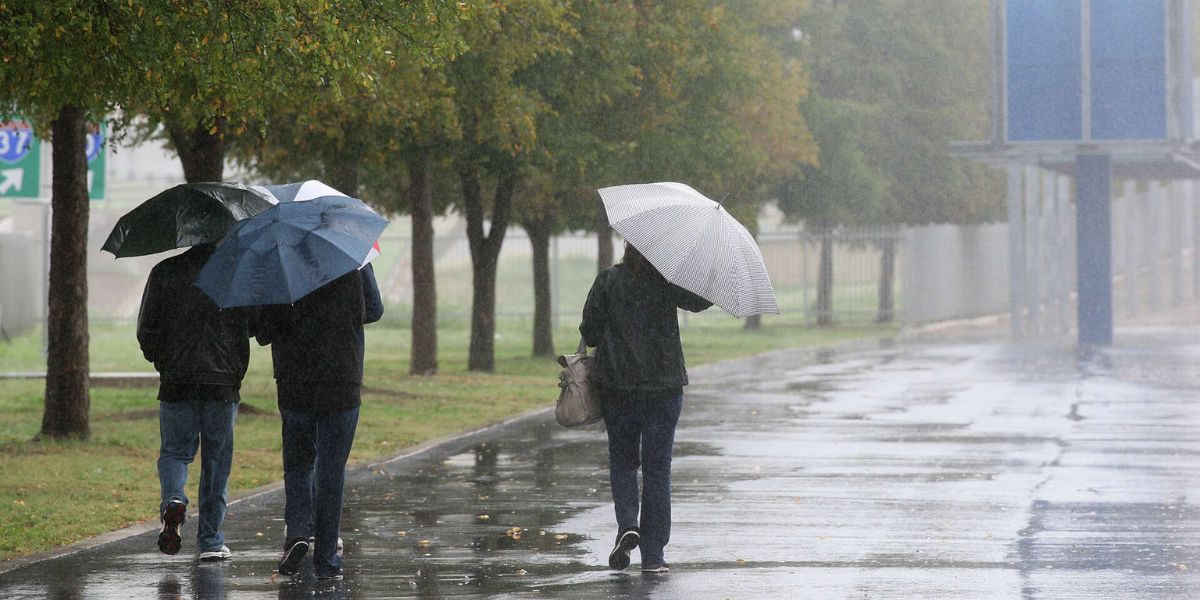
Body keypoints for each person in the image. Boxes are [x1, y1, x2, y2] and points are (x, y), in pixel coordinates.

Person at [580, 242, 712, 573]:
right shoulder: (668, 282)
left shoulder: (608, 281)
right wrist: (700, 265)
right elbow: (701, 301)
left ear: (627, 248)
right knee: (657, 469)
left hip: (619, 388)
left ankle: (628, 523)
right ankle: (653, 556)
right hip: (664, 389)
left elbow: (591, 334)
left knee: (624, 462)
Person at [256, 264, 383, 580]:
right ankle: (326, 559)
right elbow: (374, 309)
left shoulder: (281, 265)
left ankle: (297, 532)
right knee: (331, 471)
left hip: (295, 381)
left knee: (298, 464)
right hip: (342, 378)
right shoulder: (351, 259)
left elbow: (261, 331)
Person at [137, 242, 256, 562]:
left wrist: (164, 361)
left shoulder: (163, 272)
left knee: (175, 453)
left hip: (176, 383)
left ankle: (174, 500)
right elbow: (254, 327)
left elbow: (146, 331)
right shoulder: (235, 274)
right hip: (222, 386)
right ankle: (211, 540)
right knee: (217, 462)